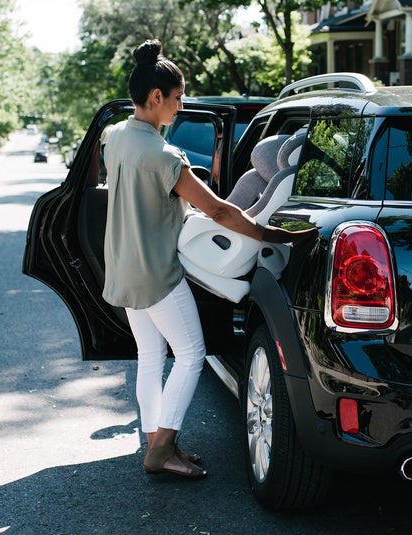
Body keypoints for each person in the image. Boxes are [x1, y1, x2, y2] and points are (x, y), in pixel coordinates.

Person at [102, 39, 314, 480]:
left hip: (121, 266)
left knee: (149, 357)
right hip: (157, 272)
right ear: (157, 96)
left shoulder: (114, 137)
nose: (180, 107)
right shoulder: (165, 157)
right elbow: (218, 210)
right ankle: (162, 450)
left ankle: (156, 442)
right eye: (178, 98)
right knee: (192, 353)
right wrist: (274, 233)